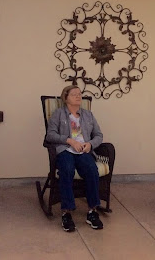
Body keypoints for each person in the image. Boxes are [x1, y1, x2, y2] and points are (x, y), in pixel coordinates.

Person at [45, 85, 104, 232]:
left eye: (79, 94)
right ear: (66, 98)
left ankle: (92, 211)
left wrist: (90, 144)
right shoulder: (58, 114)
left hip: (83, 151)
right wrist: (69, 141)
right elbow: (50, 135)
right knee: (67, 169)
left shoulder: (88, 115)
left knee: (91, 169)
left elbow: (98, 135)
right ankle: (66, 212)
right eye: (74, 94)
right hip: (65, 150)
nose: (78, 96)